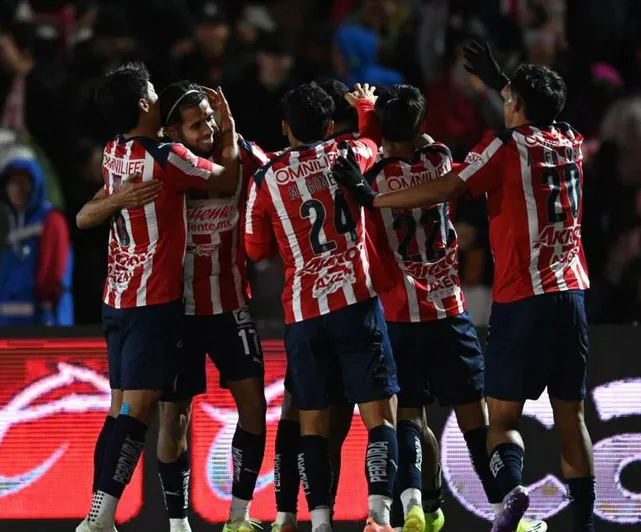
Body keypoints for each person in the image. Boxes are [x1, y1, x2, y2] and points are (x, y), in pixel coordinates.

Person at [332, 42, 595, 532]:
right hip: (519, 300)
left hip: (436, 308)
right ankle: (543, 517)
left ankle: (422, 505)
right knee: (546, 418)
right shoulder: (565, 139)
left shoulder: (386, 172)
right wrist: (504, 85)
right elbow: (530, 118)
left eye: (510, 98)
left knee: (425, 418)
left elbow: (423, 172)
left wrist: (369, 176)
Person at [353, 83, 546, 532]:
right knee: (475, 418)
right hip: (449, 310)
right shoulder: (438, 158)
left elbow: (371, 146)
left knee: (408, 415)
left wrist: (367, 112)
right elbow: (421, 141)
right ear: (421, 123)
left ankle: (414, 505)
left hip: (399, 315)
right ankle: (505, 509)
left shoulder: (372, 176)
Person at [73, 62, 241, 532]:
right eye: (152, 92)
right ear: (145, 104)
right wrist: (228, 129)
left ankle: (100, 514)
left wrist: (115, 201)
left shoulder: (113, 152)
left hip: (117, 298)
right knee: (139, 410)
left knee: (122, 409)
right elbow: (226, 179)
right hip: (154, 302)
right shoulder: (168, 157)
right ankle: (101, 516)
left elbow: (83, 217)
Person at [244, 82, 400, 532]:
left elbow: (256, 251)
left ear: (285, 127)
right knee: (380, 415)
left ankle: (319, 522)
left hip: (304, 313)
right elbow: (374, 138)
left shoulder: (265, 180)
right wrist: (366, 105)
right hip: (355, 302)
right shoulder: (346, 152)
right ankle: (378, 516)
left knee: (312, 423)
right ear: (330, 126)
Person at [153, 80, 271, 532]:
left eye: (209, 119)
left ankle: (238, 518)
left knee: (254, 407)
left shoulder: (242, 153)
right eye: (196, 125)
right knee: (174, 420)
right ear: (172, 132)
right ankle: (178, 525)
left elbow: (282, 177)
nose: (207, 130)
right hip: (177, 310)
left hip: (229, 304)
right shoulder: (164, 165)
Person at [0, 155, 74, 326]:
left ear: (36, 185)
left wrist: (47, 314)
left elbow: (53, 275)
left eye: (23, 182)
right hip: (9, 325)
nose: (17, 188)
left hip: (41, 323)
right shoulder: (12, 226)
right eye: (12, 183)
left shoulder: (51, 220)